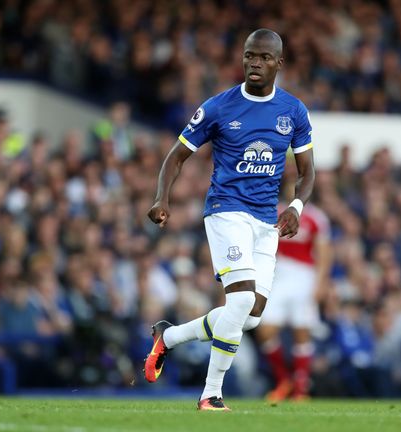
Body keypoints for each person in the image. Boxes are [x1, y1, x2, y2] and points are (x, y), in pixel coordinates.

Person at [143, 29, 315, 411]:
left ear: (278, 63)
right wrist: (161, 197)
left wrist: (296, 207)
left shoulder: (293, 111)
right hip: (226, 211)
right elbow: (176, 155)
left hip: (265, 221)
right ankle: (211, 394)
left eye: (264, 57)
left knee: (251, 316)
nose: (255, 63)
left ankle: (167, 338)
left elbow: (307, 172)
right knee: (240, 300)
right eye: (250, 55)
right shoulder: (219, 107)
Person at [257, 202, 331, 401]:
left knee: (302, 331)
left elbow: (323, 252)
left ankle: (300, 388)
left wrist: (321, 282)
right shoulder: (275, 210)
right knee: (265, 329)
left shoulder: (316, 216)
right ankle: (284, 379)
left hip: (305, 275)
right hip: (279, 274)